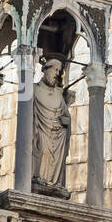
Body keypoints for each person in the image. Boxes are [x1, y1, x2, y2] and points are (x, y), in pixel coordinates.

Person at [32, 57, 73, 196]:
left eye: (58, 71)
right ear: (46, 69)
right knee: (43, 150)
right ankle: (38, 179)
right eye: (54, 69)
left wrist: (66, 121)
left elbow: (65, 115)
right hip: (41, 129)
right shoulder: (34, 89)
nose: (57, 73)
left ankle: (54, 183)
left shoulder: (58, 94)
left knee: (57, 157)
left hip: (58, 133)